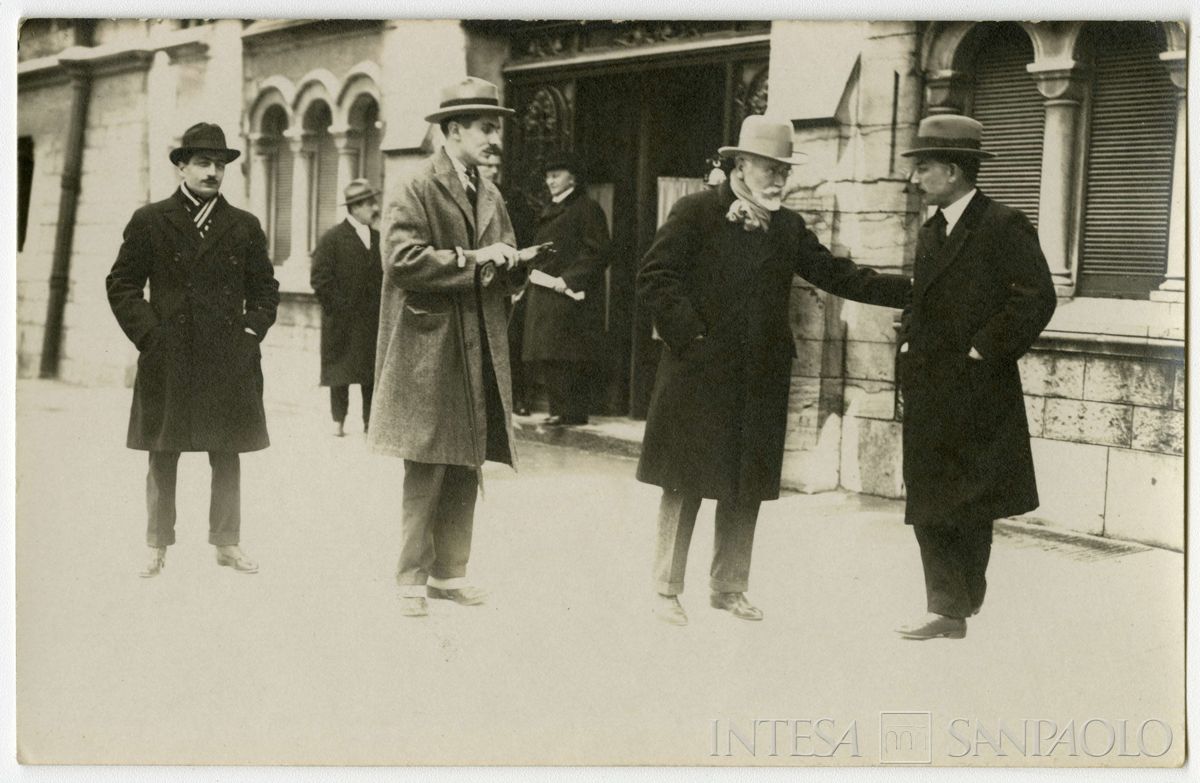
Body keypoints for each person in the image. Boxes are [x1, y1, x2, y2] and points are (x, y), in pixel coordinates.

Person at [637, 115, 912, 625]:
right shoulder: (696, 211)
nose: (780, 179)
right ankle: (665, 589)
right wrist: (692, 336)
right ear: (740, 165)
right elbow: (656, 277)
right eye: (770, 168)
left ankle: (728, 587)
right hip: (698, 372)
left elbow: (838, 274)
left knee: (746, 482)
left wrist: (914, 291)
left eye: (785, 170)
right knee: (684, 480)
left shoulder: (787, 227)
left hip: (759, 375)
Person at [369, 77, 547, 617]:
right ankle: (409, 579)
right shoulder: (415, 184)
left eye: (497, 129)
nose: (495, 140)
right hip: (430, 346)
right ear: (453, 130)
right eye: (486, 128)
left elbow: (502, 254)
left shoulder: (489, 192)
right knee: (427, 464)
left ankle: (449, 574)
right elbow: (401, 261)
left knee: (468, 458)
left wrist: (515, 264)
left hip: (479, 343)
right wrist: (475, 261)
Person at [894, 114, 1056, 640]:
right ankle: (947, 606)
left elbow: (1036, 297)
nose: (916, 178)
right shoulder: (931, 230)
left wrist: (983, 346)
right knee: (929, 497)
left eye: (924, 167)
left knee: (970, 500)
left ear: (953, 171)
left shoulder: (1003, 224)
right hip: (929, 385)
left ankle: (959, 600)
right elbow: (925, 299)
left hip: (977, 387)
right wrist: (909, 338)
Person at [106, 122, 279, 578]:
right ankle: (157, 544)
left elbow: (266, 290)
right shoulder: (150, 220)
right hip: (170, 354)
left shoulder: (244, 226)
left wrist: (249, 334)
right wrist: (150, 336)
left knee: (227, 450)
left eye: (219, 164)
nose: (212, 172)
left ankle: (227, 542)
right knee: (163, 451)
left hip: (228, 356)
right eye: (203, 162)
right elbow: (122, 284)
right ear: (181, 166)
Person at [521, 152, 611, 426]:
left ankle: (571, 411)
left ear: (572, 179)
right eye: (548, 177)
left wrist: (570, 280)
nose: (550, 181)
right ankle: (559, 409)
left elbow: (598, 251)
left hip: (569, 294)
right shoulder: (550, 209)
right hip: (546, 289)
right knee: (549, 353)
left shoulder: (586, 208)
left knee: (567, 354)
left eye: (556, 176)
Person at [310, 178, 383, 437]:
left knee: (371, 373)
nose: (375, 208)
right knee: (339, 372)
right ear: (355, 207)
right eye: (370, 204)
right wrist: (337, 308)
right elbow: (320, 280)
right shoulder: (332, 239)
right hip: (341, 320)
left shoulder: (378, 238)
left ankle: (370, 423)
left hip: (371, 320)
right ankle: (338, 420)